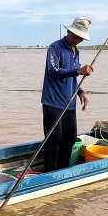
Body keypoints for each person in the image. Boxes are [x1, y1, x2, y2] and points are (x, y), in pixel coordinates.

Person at [41, 17, 93, 171]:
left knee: (70, 139)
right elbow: (53, 71)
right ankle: (49, 172)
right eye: (76, 35)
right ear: (69, 31)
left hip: (69, 103)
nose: (78, 40)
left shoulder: (76, 51)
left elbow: (73, 77)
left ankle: (62, 171)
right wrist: (78, 71)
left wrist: (80, 92)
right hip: (53, 102)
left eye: (81, 38)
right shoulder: (55, 48)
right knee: (54, 140)